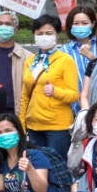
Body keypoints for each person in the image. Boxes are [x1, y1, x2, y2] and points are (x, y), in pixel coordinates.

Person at [19, 14, 80, 156]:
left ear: (57, 35)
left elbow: (74, 95)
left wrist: (55, 91)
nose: (44, 36)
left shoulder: (65, 60)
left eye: (49, 33)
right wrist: (22, 124)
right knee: (38, 170)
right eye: (39, 33)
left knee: (56, 173)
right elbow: (24, 96)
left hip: (58, 128)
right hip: (33, 127)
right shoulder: (30, 61)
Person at [0, 10, 30, 114]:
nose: (3, 27)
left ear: (16, 29)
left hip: (16, 111)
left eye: (8, 24)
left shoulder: (27, 57)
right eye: (0, 23)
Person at [61, 5, 97, 97]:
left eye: (84, 23)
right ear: (71, 26)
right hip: (73, 106)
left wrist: (91, 56)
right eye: (76, 23)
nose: (80, 26)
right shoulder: (64, 52)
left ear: (93, 24)